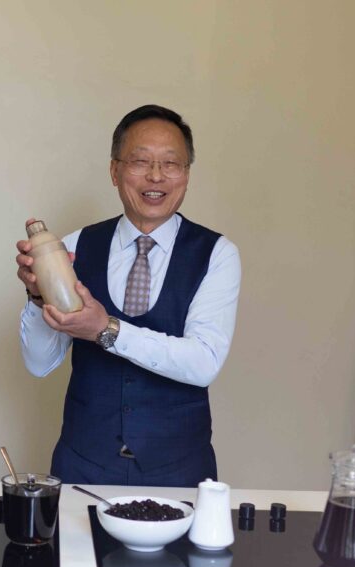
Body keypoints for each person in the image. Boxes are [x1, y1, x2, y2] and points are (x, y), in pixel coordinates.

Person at [15, 105, 241, 486]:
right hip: (83, 467)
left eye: (171, 163)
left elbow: (203, 361)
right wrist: (38, 299)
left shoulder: (217, 254)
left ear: (186, 175)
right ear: (114, 171)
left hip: (178, 473)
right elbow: (39, 363)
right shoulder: (73, 247)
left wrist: (106, 329)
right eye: (140, 161)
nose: (156, 176)